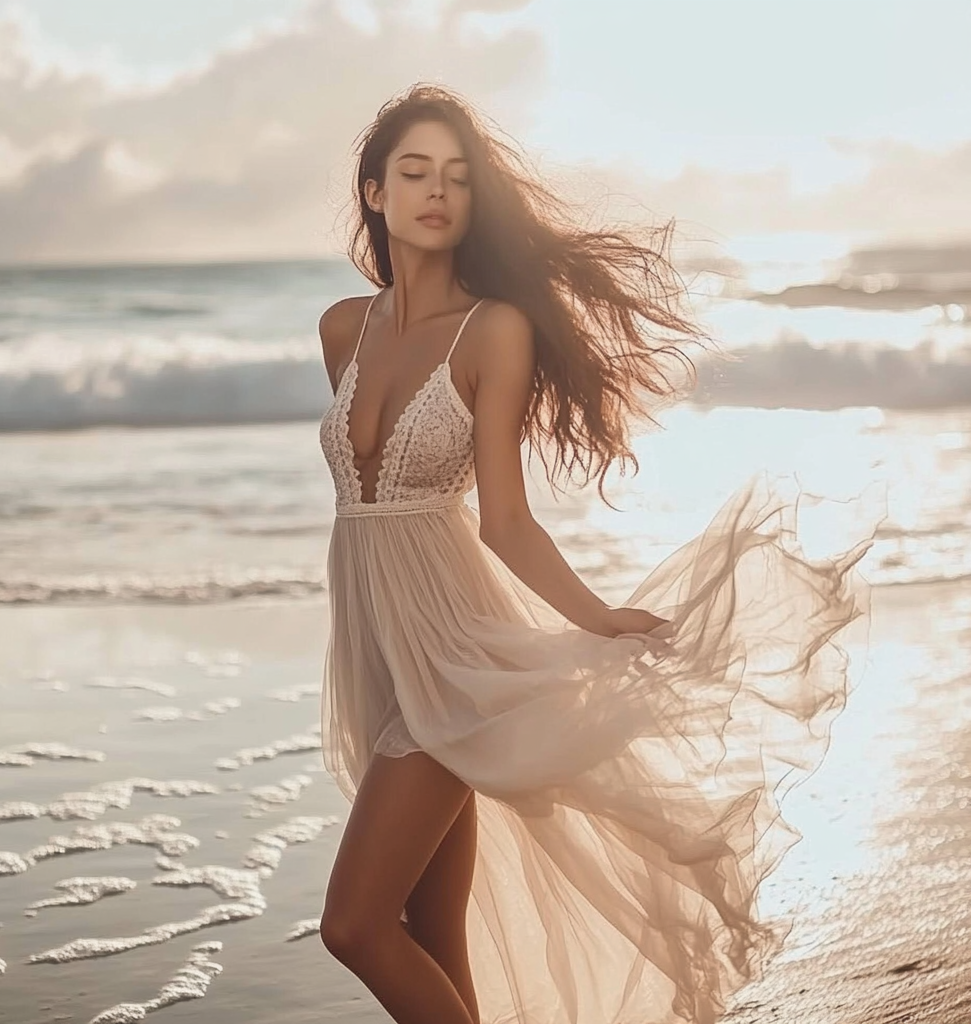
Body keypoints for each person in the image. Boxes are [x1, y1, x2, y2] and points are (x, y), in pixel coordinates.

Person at [314, 83, 875, 1024]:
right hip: (376, 644)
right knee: (428, 922)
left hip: (459, 656)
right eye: (413, 172)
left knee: (354, 927)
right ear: (375, 192)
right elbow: (365, 501)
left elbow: (504, 521)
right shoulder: (343, 328)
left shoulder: (494, 329)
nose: (436, 192)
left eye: (456, 176)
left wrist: (599, 617)